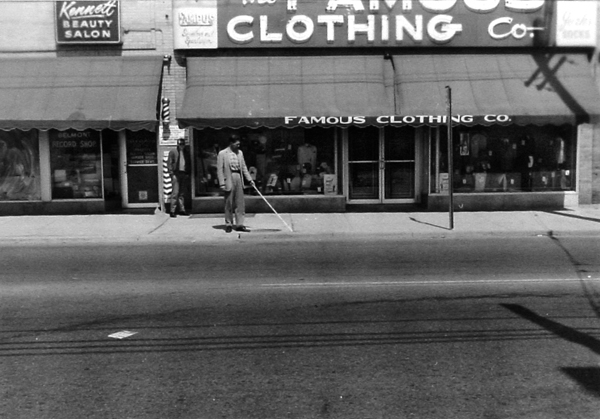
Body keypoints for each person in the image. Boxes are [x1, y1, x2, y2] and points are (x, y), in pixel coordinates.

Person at [217, 135, 255, 233]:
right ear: (231, 143)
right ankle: (228, 223)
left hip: (238, 176)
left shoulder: (240, 153)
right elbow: (220, 169)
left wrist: (250, 179)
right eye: (236, 144)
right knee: (229, 202)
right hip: (229, 178)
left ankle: (239, 224)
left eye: (239, 144)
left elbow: (244, 167)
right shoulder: (222, 153)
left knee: (240, 202)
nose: (238, 146)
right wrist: (222, 183)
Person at [167, 138, 191, 217]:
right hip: (175, 174)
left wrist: (187, 173)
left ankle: (182, 209)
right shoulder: (173, 152)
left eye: (183, 144)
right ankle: (172, 210)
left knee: (182, 193)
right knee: (175, 192)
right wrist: (171, 173)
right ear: (177, 144)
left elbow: (188, 163)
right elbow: (169, 162)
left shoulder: (186, 152)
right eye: (180, 144)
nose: (181, 146)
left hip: (183, 173)